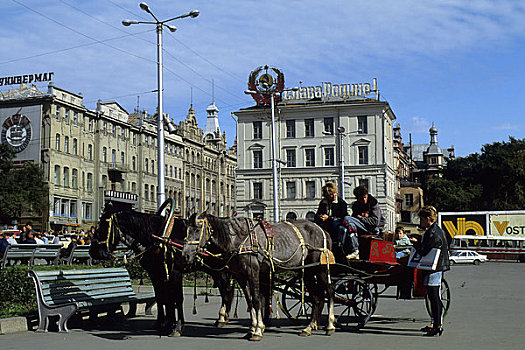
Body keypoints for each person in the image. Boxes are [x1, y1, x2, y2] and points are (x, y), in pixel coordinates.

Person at [410, 205, 450, 337]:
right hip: (436, 267)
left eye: (421, 219)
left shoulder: (432, 233)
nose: (420, 222)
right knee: (433, 297)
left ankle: (437, 326)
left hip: (434, 268)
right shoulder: (435, 230)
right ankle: (436, 324)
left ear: (428, 219)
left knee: (434, 297)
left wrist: (415, 243)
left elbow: (423, 251)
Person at [315, 182, 359, 259]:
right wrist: (320, 217)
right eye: (331, 195)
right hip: (325, 225)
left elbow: (343, 217)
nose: (334, 196)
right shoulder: (323, 203)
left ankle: (339, 248)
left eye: (334, 193)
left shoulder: (341, 203)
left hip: (337, 224)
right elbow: (317, 215)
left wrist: (329, 218)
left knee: (341, 229)